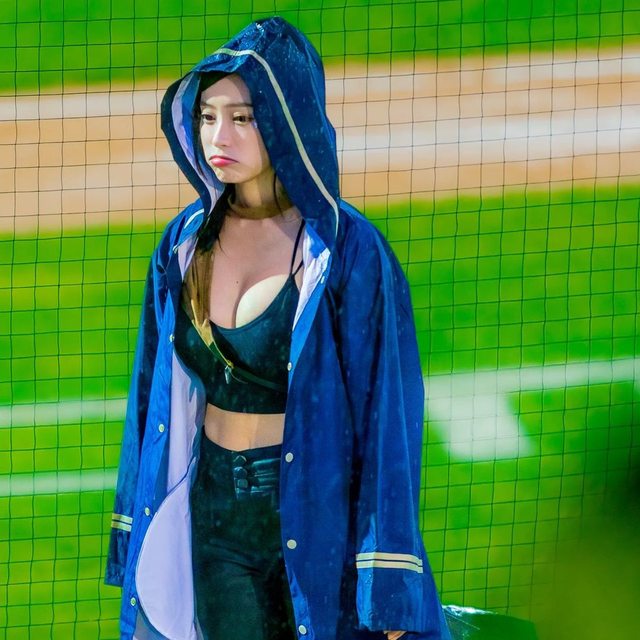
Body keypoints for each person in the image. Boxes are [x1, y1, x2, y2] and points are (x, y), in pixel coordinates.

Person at [105, 16, 451, 640]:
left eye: (243, 117)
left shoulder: (349, 252)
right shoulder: (182, 243)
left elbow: (387, 418)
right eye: (208, 116)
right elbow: (148, 397)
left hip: (315, 512)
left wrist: (389, 582)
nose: (219, 136)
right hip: (213, 516)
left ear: (288, 119)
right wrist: (131, 529)